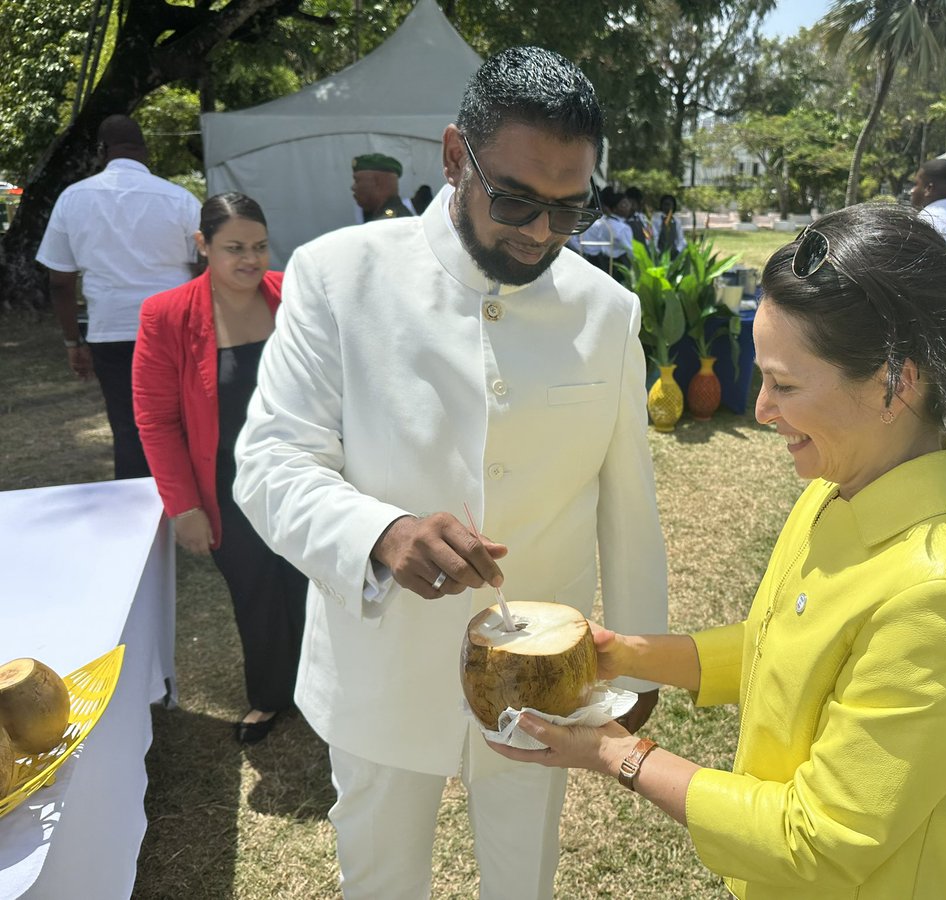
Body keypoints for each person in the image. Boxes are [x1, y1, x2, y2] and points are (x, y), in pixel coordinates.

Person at [490, 202, 946, 900]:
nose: (763, 408)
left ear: (897, 382)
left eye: (786, 384)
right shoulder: (838, 489)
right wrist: (625, 654)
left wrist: (615, 753)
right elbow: (785, 646)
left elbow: (818, 840)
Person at [233, 46, 669, 899]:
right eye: (515, 200)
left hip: (543, 679)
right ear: (451, 157)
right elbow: (271, 460)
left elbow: (628, 505)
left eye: (568, 210)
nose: (541, 233)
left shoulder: (607, 311)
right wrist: (381, 532)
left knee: (523, 879)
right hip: (380, 666)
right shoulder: (338, 276)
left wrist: (640, 665)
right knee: (381, 878)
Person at [132, 193, 307, 744]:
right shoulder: (166, 315)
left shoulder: (292, 295)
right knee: (256, 588)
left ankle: (323, 691)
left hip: (302, 475)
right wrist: (183, 506)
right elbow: (156, 420)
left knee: (313, 583)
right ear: (203, 245)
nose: (250, 260)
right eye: (234, 248)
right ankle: (272, 697)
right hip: (227, 487)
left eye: (259, 246)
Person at [36, 114, 200, 479]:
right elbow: (202, 269)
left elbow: (60, 282)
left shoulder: (72, 199)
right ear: (145, 151)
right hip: (175, 329)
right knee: (184, 422)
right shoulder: (181, 199)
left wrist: (72, 341)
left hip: (111, 332)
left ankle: (139, 522)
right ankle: (193, 512)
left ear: (101, 151)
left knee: (129, 430)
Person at [578, 184, 634, 275]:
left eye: (628, 204)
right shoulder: (623, 228)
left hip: (602, 261)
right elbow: (630, 251)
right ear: (614, 208)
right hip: (619, 264)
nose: (628, 207)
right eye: (624, 204)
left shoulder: (602, 223)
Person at [350, 153, 411, 221]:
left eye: (357, 181)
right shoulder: (386, 216)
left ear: (378, 183)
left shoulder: (389, 222)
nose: (353, 187)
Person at [652, 192, 687, 258]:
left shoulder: (676, 220)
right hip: (660, 254)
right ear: (661, 205)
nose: (668, 207)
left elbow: (681, 239)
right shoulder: (656, 219)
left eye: (670, 205)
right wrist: (657, 252)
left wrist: (678, 250)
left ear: (673, 206)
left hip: (674, 254)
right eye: (665, 204)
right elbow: (654, 237)